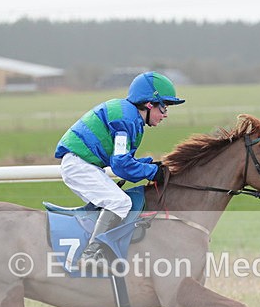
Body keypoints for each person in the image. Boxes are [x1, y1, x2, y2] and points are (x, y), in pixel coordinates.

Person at [54, 71, 185, 263]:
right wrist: (151, 172)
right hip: (79, 165)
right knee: (120, 203)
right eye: (164, 107)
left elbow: (124, 159)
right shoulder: (126, 120)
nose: (165, 114)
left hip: (85, 164)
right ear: (149, 104)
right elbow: (121, 165)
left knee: (115, 203)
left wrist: (149, 165)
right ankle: (90, 255)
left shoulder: (130, 116)